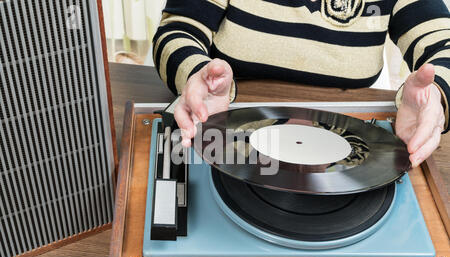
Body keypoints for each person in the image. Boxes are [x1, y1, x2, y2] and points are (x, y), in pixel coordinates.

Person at [153, 0, 449, 167]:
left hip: (347, 139)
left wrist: (436, 96)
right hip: (226, 120)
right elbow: (179, 29)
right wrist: (195, 72)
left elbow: (444, 47)